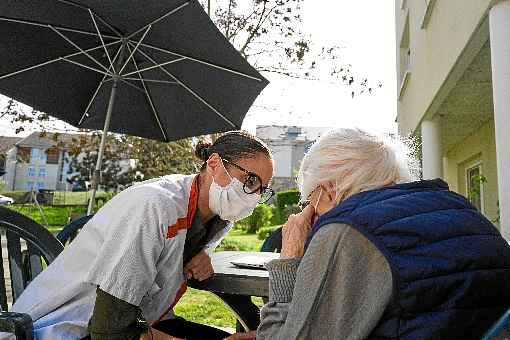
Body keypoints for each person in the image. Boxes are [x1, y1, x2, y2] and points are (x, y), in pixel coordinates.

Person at [1, 131, 273, 340]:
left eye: (262, 189)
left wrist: (203, 252)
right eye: (250, 181)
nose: (254, 196)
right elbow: (111, 332)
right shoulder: (153, 206)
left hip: (138, 320)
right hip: (65, 329)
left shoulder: (218, 214)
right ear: (214, 163)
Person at [256, 128, 510, 340]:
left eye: (309, 204)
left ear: (329, 191)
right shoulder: (460, 207)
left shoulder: (348, 228)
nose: (311, 218)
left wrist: (288, 260)